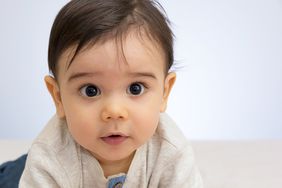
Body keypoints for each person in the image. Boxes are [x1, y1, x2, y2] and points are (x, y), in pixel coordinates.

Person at [19, 0, 203, 187]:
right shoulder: (48, 159)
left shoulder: (172, 153)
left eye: (135, 88)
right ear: (58, 98)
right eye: (90, 91)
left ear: (164, 92)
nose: (114, 111)